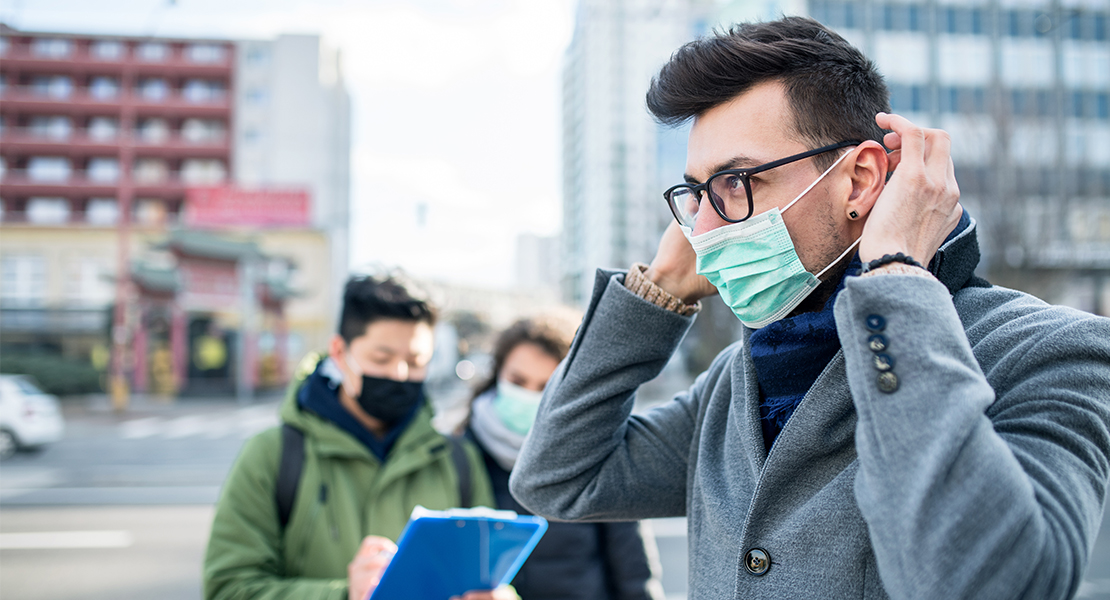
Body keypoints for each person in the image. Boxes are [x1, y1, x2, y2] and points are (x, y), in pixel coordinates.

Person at [510, 16, 1110, 600]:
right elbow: (558, 478)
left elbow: (982, 582)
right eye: (696, 194)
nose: (706, 227)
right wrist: (659, 288)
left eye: (737, 183)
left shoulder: (1052, 352)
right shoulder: (736, 380)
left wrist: (896, 272)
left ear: (860, 181)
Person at [203, 272, 505, 600]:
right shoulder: (273, 454)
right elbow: (228, 587)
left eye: (416, 361)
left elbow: (484, 576)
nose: (399, 374)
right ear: (339, 351)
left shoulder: (456, 458)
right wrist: (345, 594)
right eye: (382, 358)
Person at [464, 317, 665, 600]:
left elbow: (632, 571)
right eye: (517, 381)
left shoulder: (596, 451)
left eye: (545, 386)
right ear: (497, 373)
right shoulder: (460, 453)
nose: (527, 396)